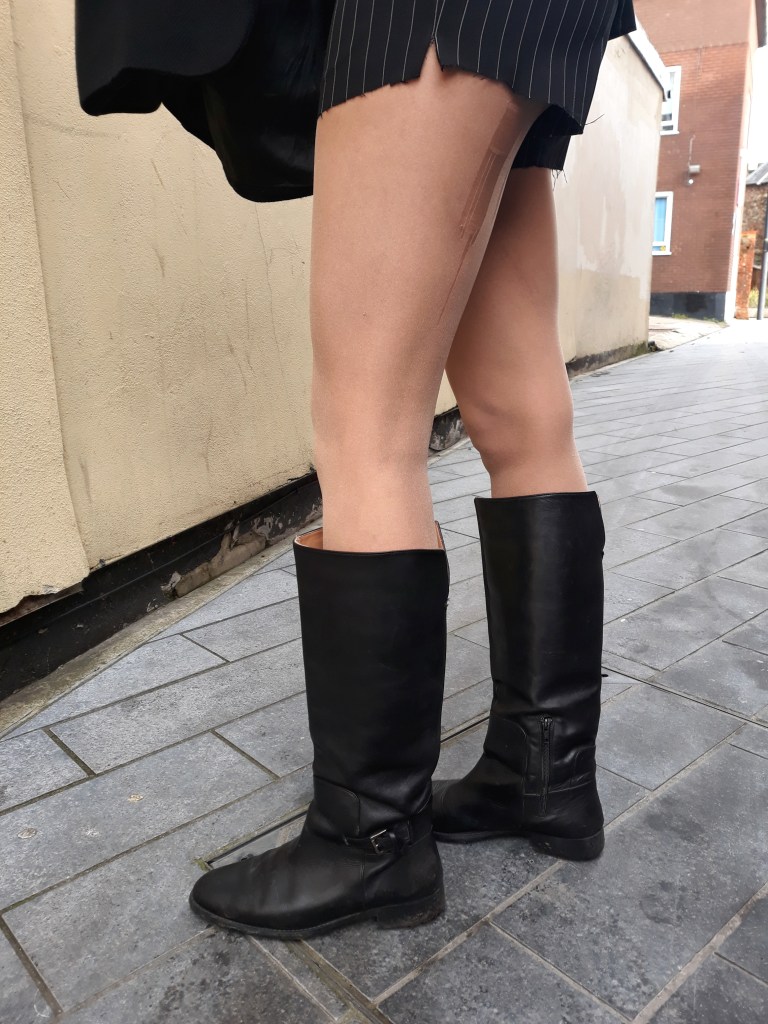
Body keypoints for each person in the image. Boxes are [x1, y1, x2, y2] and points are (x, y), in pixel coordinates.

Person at [75, 0, 637, 940]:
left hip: (423, 19)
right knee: (523, 420)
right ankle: (546, 778)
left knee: (365, 426)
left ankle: (370, 843)